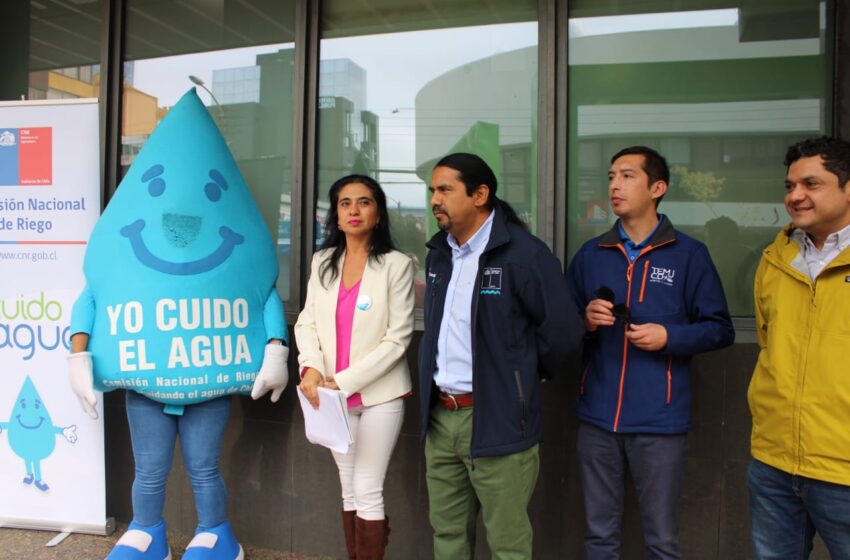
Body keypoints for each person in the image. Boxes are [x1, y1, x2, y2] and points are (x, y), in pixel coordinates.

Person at [567, 146, 734, 560]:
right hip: (597, 419)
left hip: (659, 421)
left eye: (626, 176)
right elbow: (561, 328)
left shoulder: (689, 255)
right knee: (598, 537)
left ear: (657, 188)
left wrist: (669, 337)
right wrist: (584, 320)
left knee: (661, 540)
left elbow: (720, 329)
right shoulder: (591, 255)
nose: (614, 186)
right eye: (610, 177)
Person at [418, 152, 582, 559]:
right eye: (432, 191)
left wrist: (527, 374)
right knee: (448, 535)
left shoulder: (524, 255)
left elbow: (563, 332)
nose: (434, 199)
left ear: (480, 194)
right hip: (441, 417)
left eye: (445, 189)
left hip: (498, 419)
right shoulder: (440, 253)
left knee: (507, 544)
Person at [295, 174, 414, 560]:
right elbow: (307, 322)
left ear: (378, 212)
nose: (354, 210)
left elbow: (398, 339)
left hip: (379, 395)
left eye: (364, 202)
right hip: (332, 400)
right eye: (345, 203)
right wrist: (311, 368)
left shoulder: (396, 265)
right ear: (336, 215)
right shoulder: (323, 261)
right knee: (348, 487)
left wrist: (340, 381)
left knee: (367, 487)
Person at [747, 136, 850, 559]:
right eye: (790, 186)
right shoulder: (776, 258)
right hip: (774, 461)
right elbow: (768, 343)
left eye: (812, 183)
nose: (796, 196)